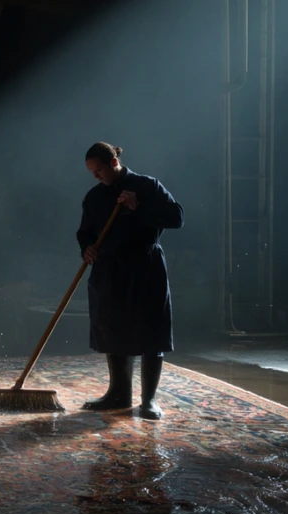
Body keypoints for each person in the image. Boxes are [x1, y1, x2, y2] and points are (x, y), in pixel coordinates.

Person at [77, 142, 184, 420]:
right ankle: (118, 394)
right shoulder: (94, 197)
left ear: (114, 162)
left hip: (145, 267)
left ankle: (149, 400)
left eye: (99, 170)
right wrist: (87, 249)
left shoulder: (148, 186)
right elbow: (85, 232)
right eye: (92, 172)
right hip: (109, 269)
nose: (95, 176)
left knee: (151, 331)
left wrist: (139, 207)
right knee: (112, 329)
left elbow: (176, 218)